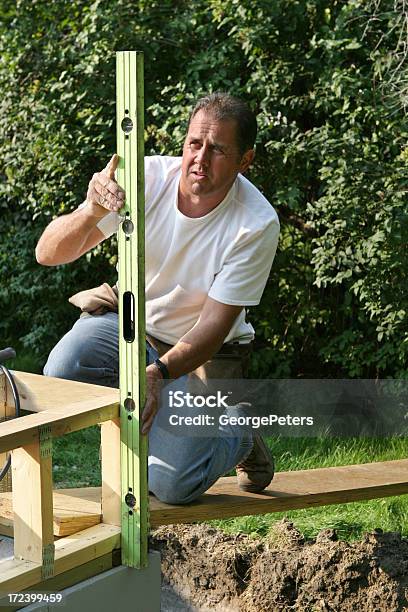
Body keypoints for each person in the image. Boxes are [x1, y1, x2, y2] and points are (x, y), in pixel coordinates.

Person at [36, 93, 280, 503]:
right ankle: (157, 433)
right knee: (63, 369)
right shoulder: (145, 178)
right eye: (194, 144)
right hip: (132, 322)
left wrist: (157, 375)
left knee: (172, 486)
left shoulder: (256, 222)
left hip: (200, 354)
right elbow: (47, 253)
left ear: (245, 160)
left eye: (218, 149)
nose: (200, 159)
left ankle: (237, 432)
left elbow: (214, 326)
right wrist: (91, 212)